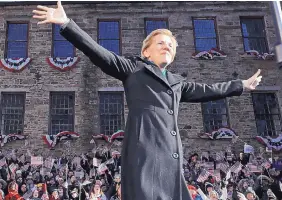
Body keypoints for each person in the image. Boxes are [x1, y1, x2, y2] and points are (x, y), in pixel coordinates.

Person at [32, 1, 262, 200]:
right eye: (161, 43)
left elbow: (210, 90)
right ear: (146, 52)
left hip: (171, 157)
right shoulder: (134, 69)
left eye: (170, 46)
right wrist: (66, 24)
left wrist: (241, 84)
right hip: (144, 152)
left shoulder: (177, 82)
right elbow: (99, 53)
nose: (167, 47)